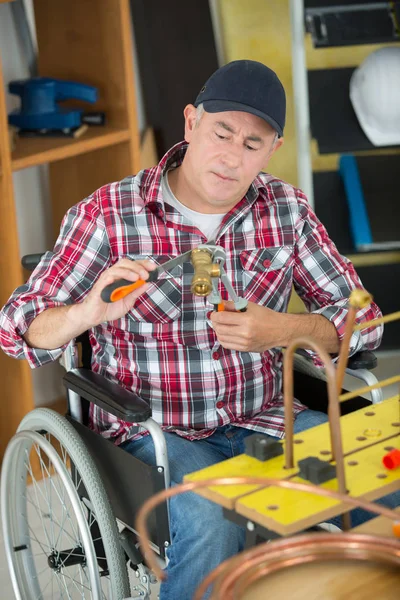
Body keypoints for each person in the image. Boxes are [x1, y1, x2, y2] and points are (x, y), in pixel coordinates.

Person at [0, 60, 396, 599]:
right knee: (213, 519)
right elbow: (17, 325)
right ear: (191, 124)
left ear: (272, 149)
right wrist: (88, 311)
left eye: (252, 144)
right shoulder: (110, 214)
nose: (233, 157)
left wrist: (283, 329)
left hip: (266, 418)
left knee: (385, 474)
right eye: (221, 133)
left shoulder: (286, 211)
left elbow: (364, 320)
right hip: (155, 435)